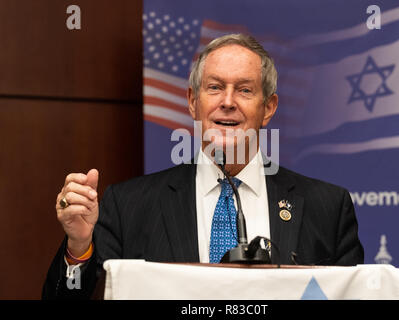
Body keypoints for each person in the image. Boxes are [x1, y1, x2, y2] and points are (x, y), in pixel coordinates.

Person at [42, 33, 364, 299]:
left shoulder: (328, 208)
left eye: (244, 89)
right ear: (193, 102)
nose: (227, 101)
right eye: (214, 87)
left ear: (268, 108)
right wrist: (79, 247)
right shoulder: (128, 206)